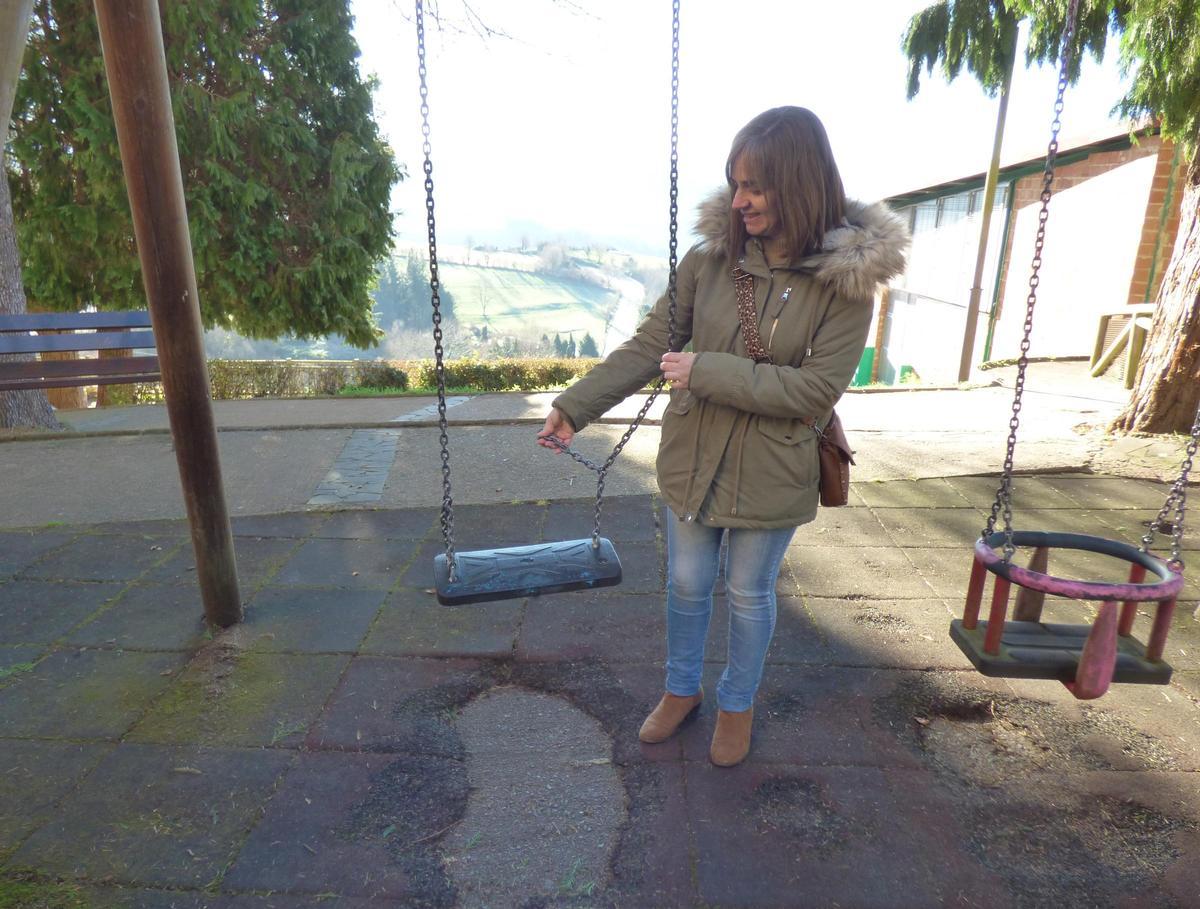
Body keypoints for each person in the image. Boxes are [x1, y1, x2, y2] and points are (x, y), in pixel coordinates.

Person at [537, 106, 909, 767]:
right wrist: (576, 406)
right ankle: (681, 689)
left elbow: (811, 393)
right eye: (735, 185)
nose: (739, 202)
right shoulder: (712, 261)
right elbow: (654, 343)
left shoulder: (846, 287)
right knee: (685, 582)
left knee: (747, 591)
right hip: (694, 456)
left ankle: (736, 700)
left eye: (755, 188)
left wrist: (706, 371)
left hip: (773, 467)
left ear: (797, 183)